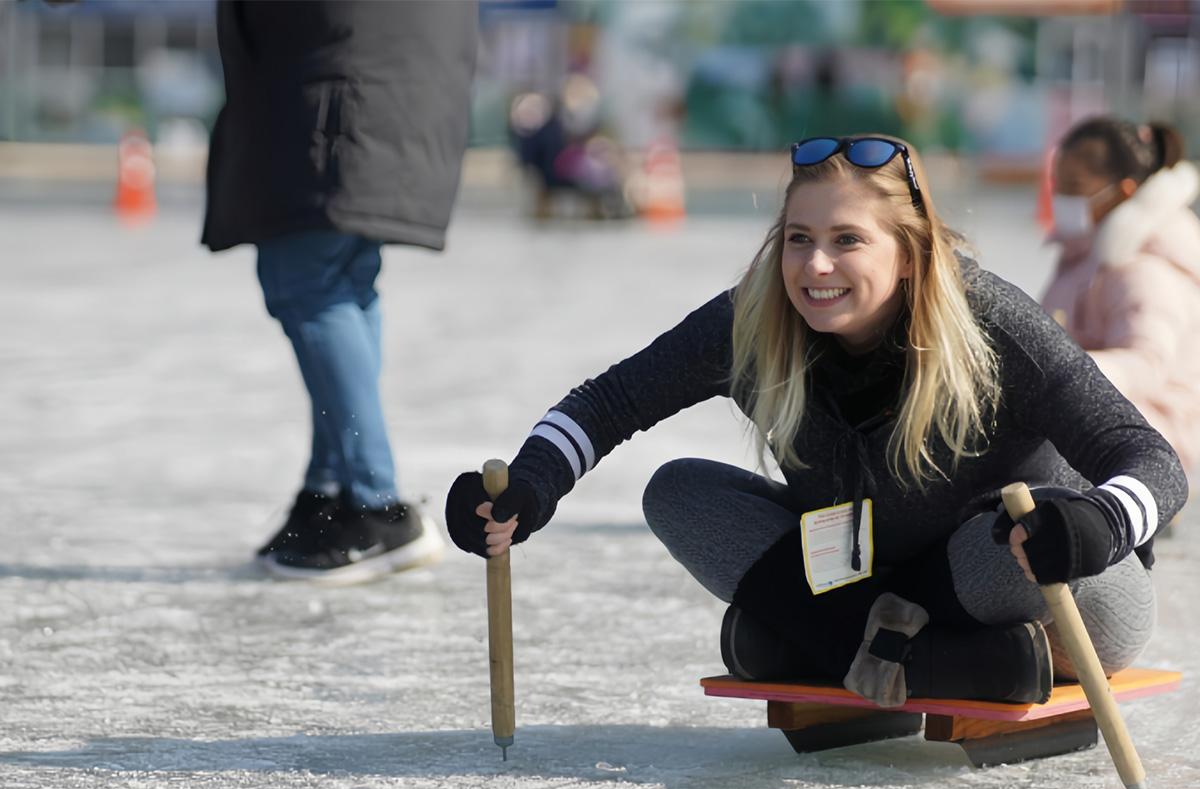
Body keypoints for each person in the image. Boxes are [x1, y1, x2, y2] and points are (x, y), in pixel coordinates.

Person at [445, 135, 1188, 705]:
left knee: (1016, 531)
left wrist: (1097, 525)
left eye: (847, 240)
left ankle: (830, 643)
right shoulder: (757, 314)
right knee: (675, 493)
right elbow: (610, 402)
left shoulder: (991, 324)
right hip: (864, 574)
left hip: (1048, 592)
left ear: (909, 252)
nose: (815, 266)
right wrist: (529, 484)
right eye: (799, 238)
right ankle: (931, 662)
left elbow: (1151, 458)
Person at [202, 0, 478, 583]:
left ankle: (377, 506)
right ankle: (329, 493)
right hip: (387, 83)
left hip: (337, 88)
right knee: (345, 280)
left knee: (305, 282)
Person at [1042, 117, 1200, 473]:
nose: (1060, 197)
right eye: (1057, 184)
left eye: (1074, 186)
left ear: (1124, 191)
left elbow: (1148, 364)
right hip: (1100, 425)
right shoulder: (1083, 251)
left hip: (1152, 444)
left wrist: (1058, 373)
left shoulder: (1146, 270)